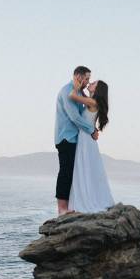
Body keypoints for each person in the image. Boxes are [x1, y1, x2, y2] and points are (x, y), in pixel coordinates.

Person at [54, 66, 98, 214]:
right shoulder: (67, 91)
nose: (87, 82)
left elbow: (84, 113)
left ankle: (70, 205)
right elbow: (75, 117)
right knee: (65, 172)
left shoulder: (79, 92)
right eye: (86, 78)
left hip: (74, 138)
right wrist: (92, 130)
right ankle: (61, 209)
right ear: (78, 76)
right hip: (66, 137)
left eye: (88, 79)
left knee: (72, 172)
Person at [67, 79, 114, 213]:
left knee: (83, 168)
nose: (90, 83)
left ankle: (85, 200)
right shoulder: (92, 100)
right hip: (87, 138)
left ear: (97, 89)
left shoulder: (92, 102)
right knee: (86, 168)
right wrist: (82, 88)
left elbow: (72, 96)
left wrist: (77, 85)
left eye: (93, 83)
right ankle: (88, 197)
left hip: (86, 139)